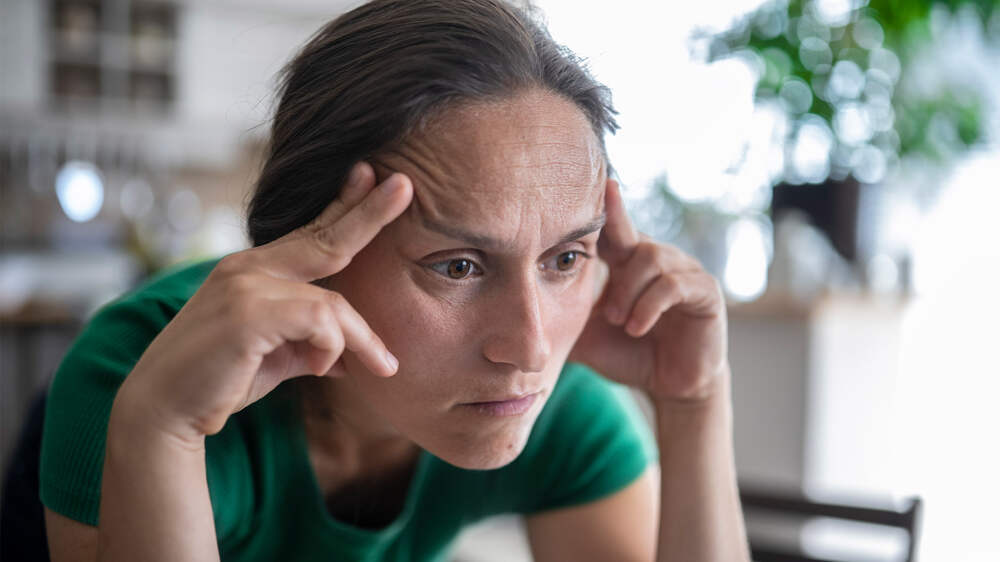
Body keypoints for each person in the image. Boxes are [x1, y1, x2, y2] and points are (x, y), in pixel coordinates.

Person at [38, 0, 750, 560]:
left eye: (565, 259)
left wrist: (695, 403)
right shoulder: (141, 376)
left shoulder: (547, 398)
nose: (531, 348)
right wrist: (161, 429)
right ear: (308, 249)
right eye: (459, 266)